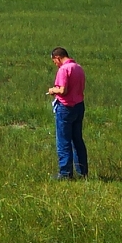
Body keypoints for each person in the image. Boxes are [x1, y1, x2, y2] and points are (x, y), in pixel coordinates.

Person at [47, 47, 87, 179]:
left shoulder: (64, 69)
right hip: (79, 106)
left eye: (55, 62)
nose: (56, 64)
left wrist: (53, 90)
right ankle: (82, 172)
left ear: (57, 58)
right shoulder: (78, 67)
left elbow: (63, 90)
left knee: (63, 141)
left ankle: (65, 173)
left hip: (65, 107)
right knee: (77, 140)